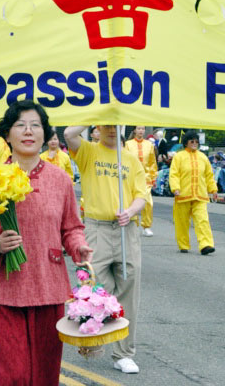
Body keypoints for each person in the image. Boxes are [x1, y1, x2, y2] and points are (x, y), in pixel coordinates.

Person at [0, 100, 92, 386]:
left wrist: (78, 247)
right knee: (13, 374)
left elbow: (72, 227)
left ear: (45, 134)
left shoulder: (61, 179)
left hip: (49, 287)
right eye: (20, 125)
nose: (28, 131)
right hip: (6, 288)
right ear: (7, 135)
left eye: (35, 125)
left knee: (45, 374)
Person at [64, 123, 147, 374]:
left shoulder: (131, 160)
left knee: (128, 290)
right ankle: (92, 340)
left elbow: (141, 196)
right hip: (96, 228)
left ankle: (123, 354)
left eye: (115, 126)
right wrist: (95, 112)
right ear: (98, 128)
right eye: (106, 125)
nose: (111, 130)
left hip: (125, 229)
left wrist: (130, 211)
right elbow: (68, 134)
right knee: (95, 286)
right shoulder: (89, 152)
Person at [169, 131, 218, 255]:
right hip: (182, 195)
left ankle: (206, 244)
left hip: (200, 195)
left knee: (202, 220)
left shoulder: (203, 157)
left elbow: (209, 175)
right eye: (192, 141)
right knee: (182, 222)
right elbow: (174, 174)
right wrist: (175, 188)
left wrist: (213, 189)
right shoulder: (179, 157)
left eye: (196, 141)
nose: (194, 143)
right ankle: (183, 244)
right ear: (186, 142)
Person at [125, 126, 157, 237]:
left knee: (148, 202)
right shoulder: (128, 144)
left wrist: (153, 177)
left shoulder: (149, 145)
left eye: (143, 129)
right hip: (132, 177)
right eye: (139, 129)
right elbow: (125, 160)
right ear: (134, 130)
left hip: (145, 178)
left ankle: (146, 226)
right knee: (131, 201)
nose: (141, 131)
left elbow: (152, 162)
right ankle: (133, 224)